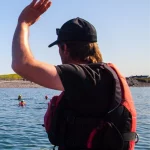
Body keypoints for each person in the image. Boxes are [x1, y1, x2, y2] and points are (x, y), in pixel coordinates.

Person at [12, 0, 138, 150]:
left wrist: (23, 23)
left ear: (64, 48)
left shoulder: (86, 78)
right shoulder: (102, 76)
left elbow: (22, 64)